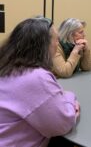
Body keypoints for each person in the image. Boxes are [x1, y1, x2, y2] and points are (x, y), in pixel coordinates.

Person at [0, 17, 79, 147]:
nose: (57, 44)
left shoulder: (7, 66)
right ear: (44, 45)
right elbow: (63, 124)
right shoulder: (35, 77)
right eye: (56, 40)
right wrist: (71, 98)